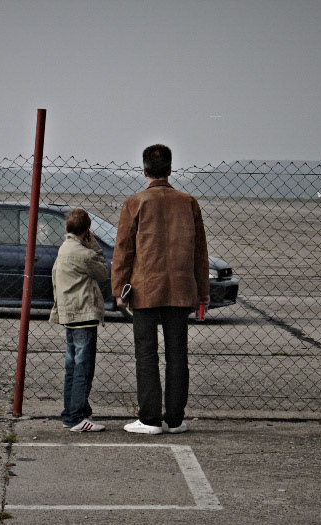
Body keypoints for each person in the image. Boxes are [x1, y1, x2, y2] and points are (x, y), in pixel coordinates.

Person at [111, 144, 210, 435]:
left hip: (145, 289)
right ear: (169, 169)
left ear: (144, 171)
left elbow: (123, 250)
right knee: (177, 354)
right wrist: (202, 289)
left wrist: (119, 288)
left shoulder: (135, 202)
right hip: (181, 289)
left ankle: (149, 418)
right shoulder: (188, 202)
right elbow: (200, 252)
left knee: (146, 354)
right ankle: (176, 418)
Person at [49, 208, 108, 432]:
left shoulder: (64, 248)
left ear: (66, 228)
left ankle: (70, 413)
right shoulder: (85, 253)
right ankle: (78, 417)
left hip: (69, 313)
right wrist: (93, 245)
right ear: (87, 230)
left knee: (72, 367)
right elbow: (102, 272)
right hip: (84, 313)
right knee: (84, 367)